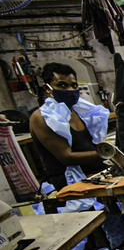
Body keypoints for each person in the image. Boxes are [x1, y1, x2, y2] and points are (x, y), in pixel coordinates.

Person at [30, 63, 106, 192]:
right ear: (47, 88)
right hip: (71, 181)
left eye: (74, 85)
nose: (70, 90)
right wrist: (109, 153)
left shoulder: (82, 111)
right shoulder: (42, 117)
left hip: (97, 173)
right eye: (62, 85)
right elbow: (67, 157)